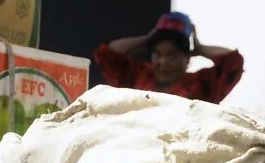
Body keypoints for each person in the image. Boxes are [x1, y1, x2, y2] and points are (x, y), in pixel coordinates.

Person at [95, 11, 245, 103]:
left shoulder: (201, 85)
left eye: (172, 55)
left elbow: (233, 62)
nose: (163, 62)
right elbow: (106, 56)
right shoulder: (138, 76)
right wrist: (147, 38)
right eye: (157, 54)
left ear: (187, 57)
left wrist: (199, 48)